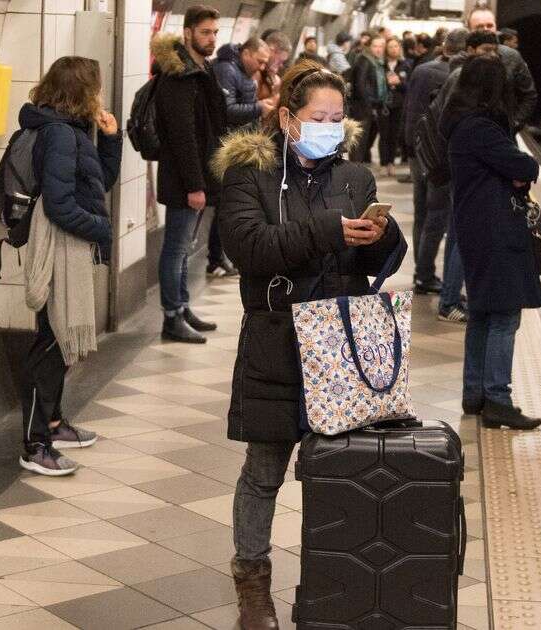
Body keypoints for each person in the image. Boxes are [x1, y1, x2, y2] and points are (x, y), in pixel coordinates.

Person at [212, 61, 405, 629]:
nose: (330, 126)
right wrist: (328, 231)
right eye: (318, 117)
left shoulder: (354, 178)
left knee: (339, 469)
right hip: (277, 339)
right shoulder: (250, 173)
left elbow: (372, 263)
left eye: (338, 118)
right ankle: (252, 579)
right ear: (289, 119)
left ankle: (333, 578)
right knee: (264, 468)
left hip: (340, 341)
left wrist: (380, 237)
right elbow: (248, 247)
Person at [17, 56, 120, 475]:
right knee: (48, 342)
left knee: (57, 341)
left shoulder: (72, 129)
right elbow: (60, 205)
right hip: (58, 246)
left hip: (68, 245)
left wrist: (111, 138)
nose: (100, 95)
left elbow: (99, 183)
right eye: (94, 88)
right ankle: (34, 443)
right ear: (80, 92)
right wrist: (100, 228)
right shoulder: (58, 134)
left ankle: (54, 424)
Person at [441, 54, 541, 430]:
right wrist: (521, 170)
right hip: (494, 228)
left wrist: (513, 169)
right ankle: (498, 398)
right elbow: (525, 166)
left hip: (476, 227)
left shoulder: (461, 124)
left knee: (483, 312)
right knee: (504, 314)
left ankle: (475, 394)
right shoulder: (479, 128)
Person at [152, 6, 228, 341]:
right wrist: (196, 186)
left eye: (214, 33)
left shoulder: (201, 70)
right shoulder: (178, 76)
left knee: (184, 247)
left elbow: (213, 122)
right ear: (187, 33)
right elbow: (183, 137)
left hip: (197, 177)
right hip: (183, 180)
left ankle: (182, 307)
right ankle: (171, 318)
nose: (211, 39)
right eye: (205, 33)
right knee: (176, 247)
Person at [405, 28, 469, 307]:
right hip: (437, 156)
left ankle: (422, 271)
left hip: (416, 149)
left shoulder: (421, 69)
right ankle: (425, 274)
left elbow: (409, 107)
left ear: (445, 47)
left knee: (422, 212)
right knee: (438, 216)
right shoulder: (454, 77)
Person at [211, 36, 273, 279]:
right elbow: (227, 110)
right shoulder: (227, 70)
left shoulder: (241, 71)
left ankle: (223, 256)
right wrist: (259, 108)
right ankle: (217, 258)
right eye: (259, 61)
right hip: (230, 148)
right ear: (246, 53)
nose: (262, 67)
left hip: (241, 144)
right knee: (224, 207)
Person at [349, 36, 387, 166]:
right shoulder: (364, 60)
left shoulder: (376, 62)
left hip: (369, 105)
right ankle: (354, 169)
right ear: (369, 47)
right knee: (359, 140)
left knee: (364, 140)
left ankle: (358, 167)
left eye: (381, 46)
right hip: (362, 107)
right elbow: (360, 85)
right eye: (375, 46)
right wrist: (369, 105)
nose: (378, 49)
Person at [380, 38, 411, 177]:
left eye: (396, 46)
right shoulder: (381, 65)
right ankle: (383, 163)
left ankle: (391, 162)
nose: (393, 49)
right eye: (390, 46)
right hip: (384, 104)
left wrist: (399, 82)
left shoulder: (405, 65)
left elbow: (409, 87)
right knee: (384, 135)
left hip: (398, 105)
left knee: (394, 135)